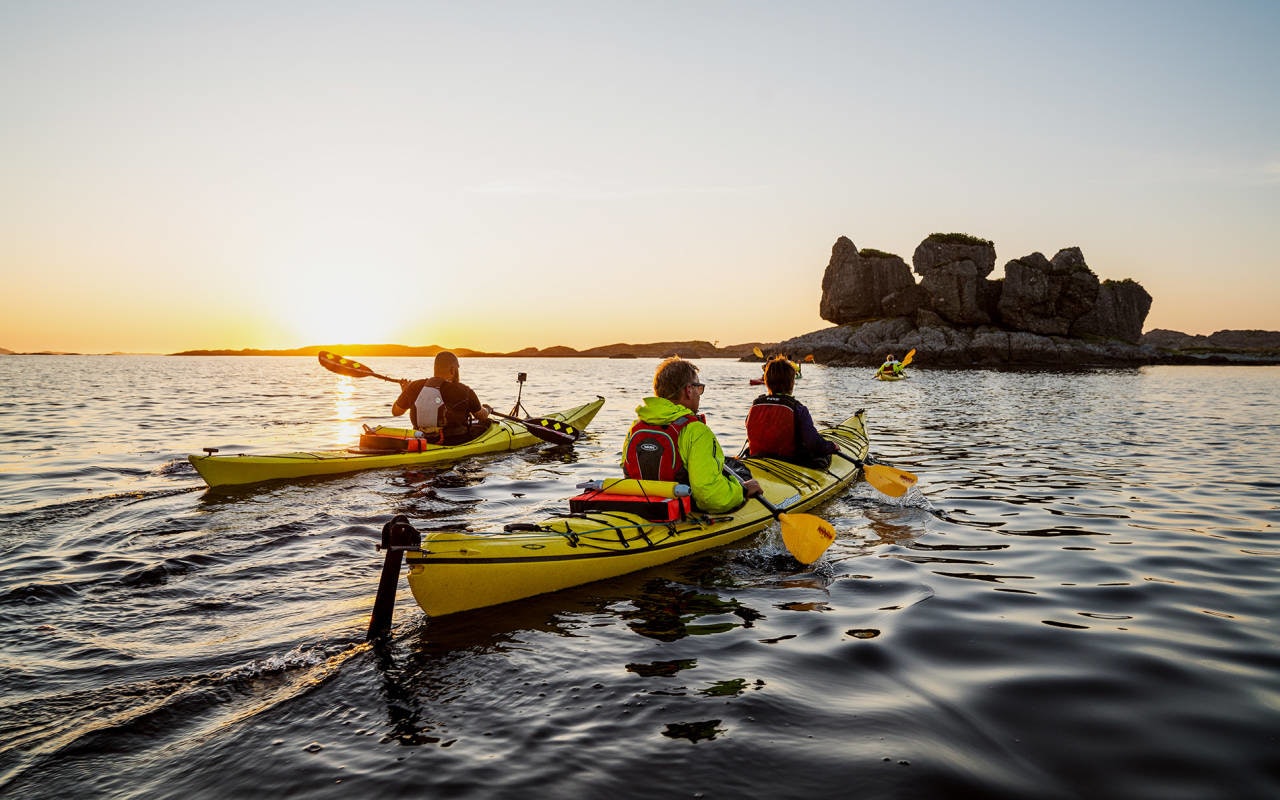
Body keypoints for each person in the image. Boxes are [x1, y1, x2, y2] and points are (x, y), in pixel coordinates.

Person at [621, 356, 761, 513]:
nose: (699, 394)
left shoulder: (636, 426)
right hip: (681, 512)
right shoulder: (696, 431)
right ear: (688, 390)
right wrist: (741, 490)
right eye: (699, 387)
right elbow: (709, 495)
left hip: (641, 508)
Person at [746, 356, 839, 467]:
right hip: (789, 463)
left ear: (766, 381)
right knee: (822, 457)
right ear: (791, 382)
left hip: (757, 460)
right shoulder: (798, 409)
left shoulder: (755, 405)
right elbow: (813, 443)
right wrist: (831, 446)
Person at [392, 351, 492, 444]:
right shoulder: (464, 390)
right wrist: (488, 409)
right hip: (454, 442)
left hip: (422, 441)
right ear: (453, 370)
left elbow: (396, 412)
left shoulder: (413, 386)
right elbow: (481, 415)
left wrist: (405, 392)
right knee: (486, 425)